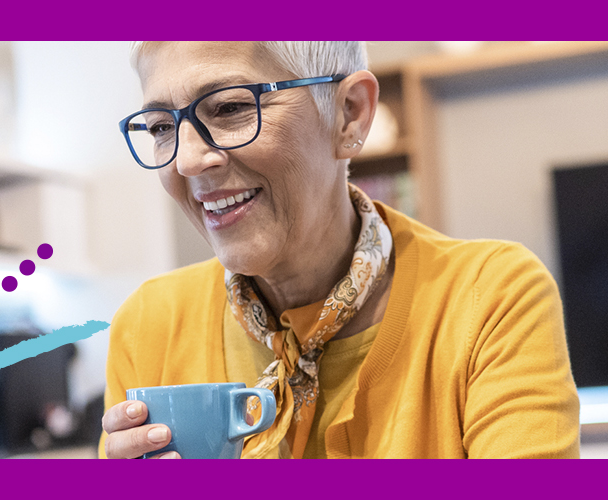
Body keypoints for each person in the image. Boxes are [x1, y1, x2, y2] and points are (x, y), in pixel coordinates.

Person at [100, 41, 578, 459]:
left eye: (228, 108)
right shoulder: (149, 325)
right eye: (162, 126)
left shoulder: (490, 300)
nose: (186, 160)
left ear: (350, 113)